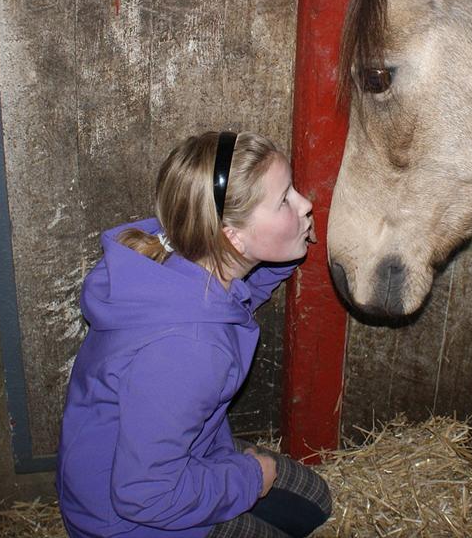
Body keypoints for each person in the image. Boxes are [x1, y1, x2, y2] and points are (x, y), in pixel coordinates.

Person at [57, 131, 332, 538]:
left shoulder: (183, 259)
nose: (305, 204)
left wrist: (278, 252)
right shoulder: (187, 350)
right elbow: (145, 495)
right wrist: (251, 478)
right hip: (128, 520)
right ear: (232, 237)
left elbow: (239, 296)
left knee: (316, 502)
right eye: (284, 200)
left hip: (161, 462)